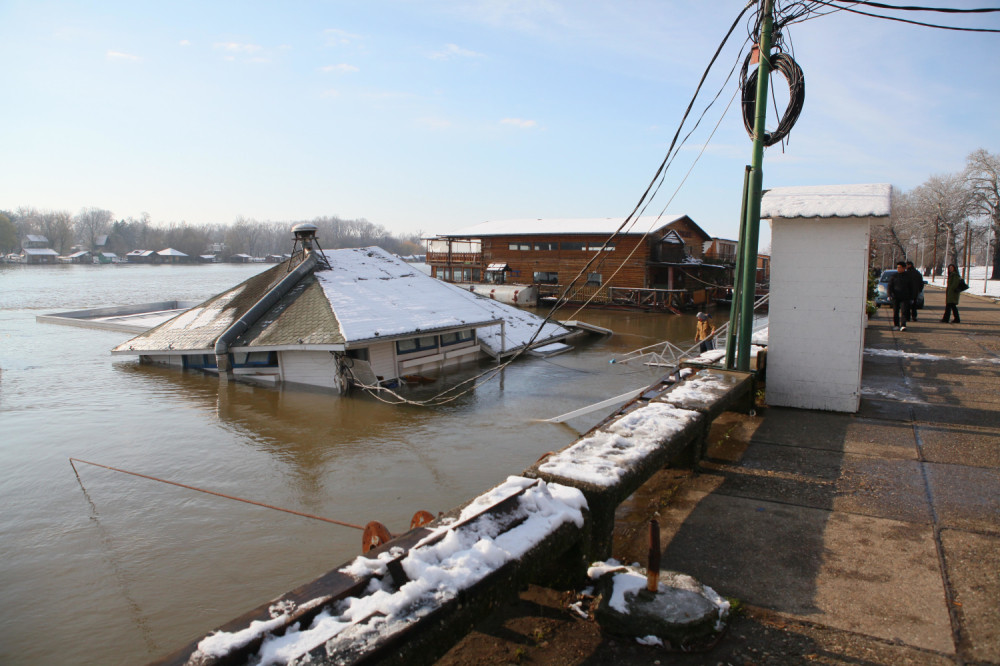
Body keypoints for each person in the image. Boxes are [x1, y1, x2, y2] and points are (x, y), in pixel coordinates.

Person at [887, 260, 913, 331]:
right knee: (895, 311)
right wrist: (889, 294)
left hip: (905, 297)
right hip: (895, 297)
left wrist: (912, 297)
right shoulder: (894, 276)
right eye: (897, 267)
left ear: (904, 268)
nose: (898, 269)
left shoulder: (908, 276)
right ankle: (896, 325)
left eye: (900, 267)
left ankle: (903, 325)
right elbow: (890, 286)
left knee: (904, 311)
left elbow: (912, 287)